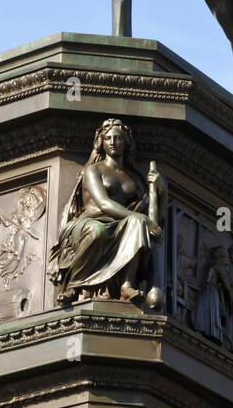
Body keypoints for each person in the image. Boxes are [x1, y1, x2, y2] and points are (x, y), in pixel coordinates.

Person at [48, 118, 164, 304]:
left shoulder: (134, 177)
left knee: (137, 223)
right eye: (108, 138)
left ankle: (127, 285)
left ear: (126, 142)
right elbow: (104, 203)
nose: (113, 142)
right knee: (98, 231)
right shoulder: (93, 170)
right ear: (101, 143)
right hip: (91, 221)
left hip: (120, 224)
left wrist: (161, 192)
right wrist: (143, 219)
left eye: (118, 138)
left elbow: (152, 218)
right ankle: (73, 284)